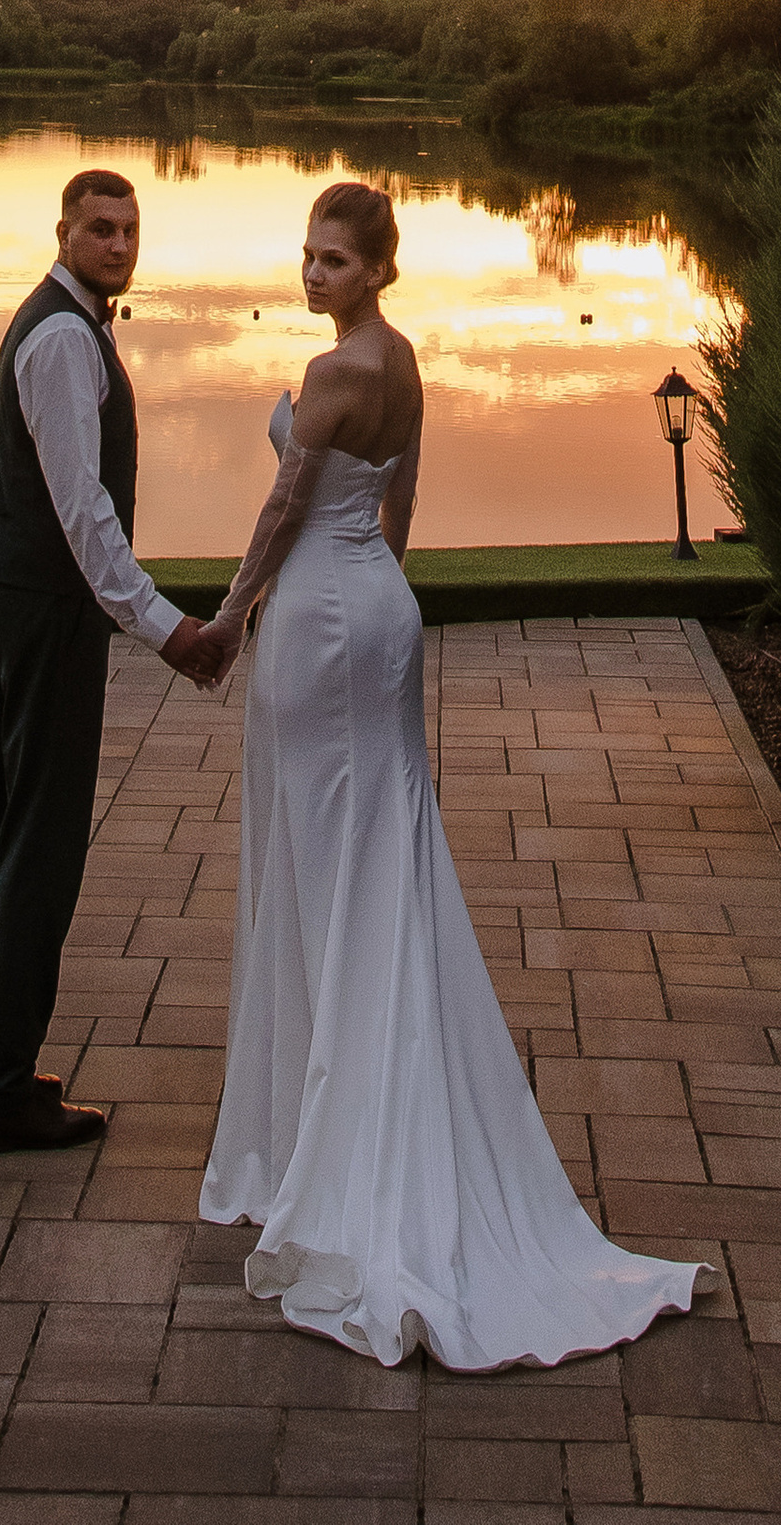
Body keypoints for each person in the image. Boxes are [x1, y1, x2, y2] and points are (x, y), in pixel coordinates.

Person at [196, 180, 703, 1368]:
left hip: (320, 618)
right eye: (306, 254)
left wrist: (231, 618)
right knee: (379, 856)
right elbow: (401, 504)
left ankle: (336, 1147)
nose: (311, 273)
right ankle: (348, 1104)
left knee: (322, 864)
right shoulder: (409, 362)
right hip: (378, 608)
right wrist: (377, 589)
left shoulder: (334, 376)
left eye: (332, 259)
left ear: (376, 268)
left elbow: (281, 507)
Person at [0, 167, 225, 1152]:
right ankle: (0, 1094)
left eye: (129, 230)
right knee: (40, 845)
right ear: (63, 231)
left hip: (16, 593)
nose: (118, 244)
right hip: (45, 608)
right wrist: (169, 632)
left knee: (8, 829)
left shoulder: (65, 322)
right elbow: (84, 518)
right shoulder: (66, 337)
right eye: (100, 229)